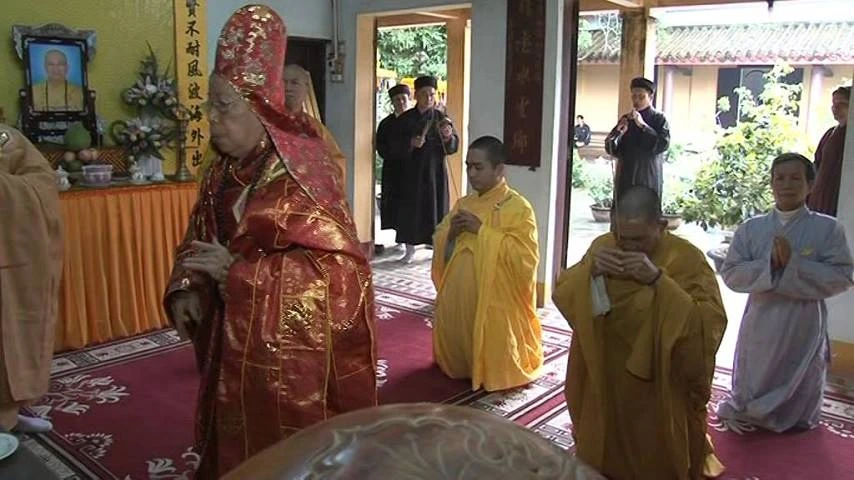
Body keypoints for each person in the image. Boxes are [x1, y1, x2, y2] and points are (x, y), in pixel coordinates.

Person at [163, 6, 377, 477]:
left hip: (287, 361)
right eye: (209, 106)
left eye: (225, 106)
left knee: (282, 450)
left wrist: (240, 276)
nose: (212, 120)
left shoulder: (304, 170)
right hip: (230, 332)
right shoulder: (221, 167)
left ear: (260, 107)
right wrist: (187, 286)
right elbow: (200, 232)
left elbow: (342, 274)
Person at [552, 185, 726, 479]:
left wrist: (659, 281)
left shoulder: (686, 258)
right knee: (605, 436)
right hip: (607, 365)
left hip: (658, 376)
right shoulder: (603, 246)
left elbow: (707, 321)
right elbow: (567, 294)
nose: (628, 246)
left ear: (660, 225)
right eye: (623, 237)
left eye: (639, 239)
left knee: (652, 448)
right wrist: (590, 273)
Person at [718, 153, 853, 433]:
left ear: (810, 184)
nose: (787, 184)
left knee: (800, 370)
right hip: (761, 314)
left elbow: (843, 275)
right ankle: (751, 407)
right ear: (771, 183)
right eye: (780, 178)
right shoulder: (751, 228)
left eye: (795, 178)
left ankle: (795, 415)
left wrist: (793, 266)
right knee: (757, 366)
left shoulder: (828, 229)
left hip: (802, 318)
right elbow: (731, 272)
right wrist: (771, 265)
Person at [431, 136, 543, 391]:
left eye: (478, 167)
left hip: (497, 301)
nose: (471, 174)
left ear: (499, 169)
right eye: (469, 166)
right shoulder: (464, 204)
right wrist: (451, 234)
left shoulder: (518, 208)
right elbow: (441, 239)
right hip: (458, 298)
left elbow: (525, 258)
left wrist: (482, 232)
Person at [0, 126, 63, 434]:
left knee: (13, 332)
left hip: (11, 257)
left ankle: (6, 414)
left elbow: (42, 181)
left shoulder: (6, 138)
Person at [393, 75, 459, 264]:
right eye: (424, 94)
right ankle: (409, 249)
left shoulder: (441, 118)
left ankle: (436, 247)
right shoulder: (405, 119)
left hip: (435, 173)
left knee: (436, 209)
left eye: (432, 94)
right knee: (410, 211)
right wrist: (410, 143)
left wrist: (448, 137)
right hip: (411, 173)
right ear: (416, 95)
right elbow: (393, 146)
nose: (429, 98)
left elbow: (454, 146)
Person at [605, 77, 670, 201]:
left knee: (646, 214)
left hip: (647, 175)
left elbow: (663, 144)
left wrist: (643, 126)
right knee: (624, 213)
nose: (636, 100)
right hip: (626, 174)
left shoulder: (659, 119)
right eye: (634, 96)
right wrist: (619, 133)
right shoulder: (626, 119)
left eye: (641, 97)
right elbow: (611, 147)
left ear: (650, 97)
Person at [283, 64, 347, 182]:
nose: (288, 88)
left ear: (306, 88)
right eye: (283, 82)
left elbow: (337, 163)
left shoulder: (315, 128)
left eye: (294, 83)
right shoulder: (263, 122)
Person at [376, 84, 411, 252]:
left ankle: (410, 241)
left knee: (409, 205)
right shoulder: (386, 124)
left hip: (412, 171)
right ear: (392, 102)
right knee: (394, 204)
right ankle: (399, 237)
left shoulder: (414, 120)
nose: (400, 102)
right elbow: (381, 146)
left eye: (403, 99)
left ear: (409, 99)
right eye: (397, 100)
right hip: (392, 169)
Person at [807, 85, 850, 216]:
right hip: (821, 198)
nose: (836, 109)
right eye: (834, 104)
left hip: (844, 200)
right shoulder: (830, 134)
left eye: (842, 104)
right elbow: (816, 166)